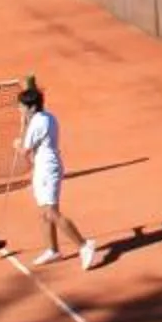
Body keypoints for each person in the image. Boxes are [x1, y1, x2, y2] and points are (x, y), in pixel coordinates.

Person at [15, 78, 101, 270]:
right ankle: (52, 250)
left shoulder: (37, 123)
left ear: (31, 107)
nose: (19, 110)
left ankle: (84, 245)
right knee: (44, 213)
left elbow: (24, 151)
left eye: (21, 107)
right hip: (43, 168)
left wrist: (17, 143)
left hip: (47, 169)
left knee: (51, 212)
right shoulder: (48, 116)